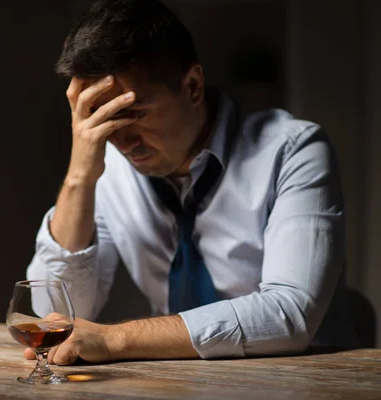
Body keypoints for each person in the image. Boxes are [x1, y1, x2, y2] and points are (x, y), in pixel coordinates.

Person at [26, 0, 358, 365]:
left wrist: (112, 339)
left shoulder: (293, 150)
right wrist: (79, 177)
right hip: (177, 380)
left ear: (193, 85)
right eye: (101, 118)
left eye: (133, 114)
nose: (121, 140)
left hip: (308, 378)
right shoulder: (108, 168)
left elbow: (289, 314)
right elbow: (55, 315)